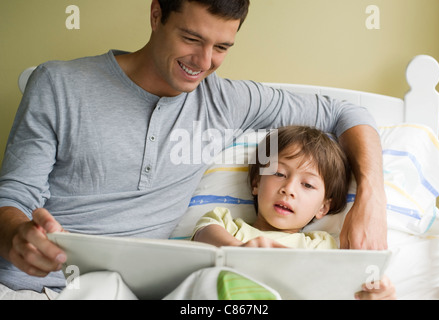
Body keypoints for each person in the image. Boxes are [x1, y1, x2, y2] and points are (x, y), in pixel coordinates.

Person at [0, 0, 387, 298]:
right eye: (191, 39)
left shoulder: (228, 101)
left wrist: (371, 197)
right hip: (28, 286)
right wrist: (17, 234)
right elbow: (12, 197)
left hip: (129, 291)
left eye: (221, 46)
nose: (203, 63)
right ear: (156, 14)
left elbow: (345, 112)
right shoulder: (59, 85)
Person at [193, 126, 396, 300]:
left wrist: (374, 290)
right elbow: (203, 236)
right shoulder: (226, 224)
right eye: (279, 173)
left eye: (307, 184)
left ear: (322, 208)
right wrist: (238, 250)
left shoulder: (321, 245)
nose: (288, 188)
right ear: (256, 183)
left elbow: (341, 287)